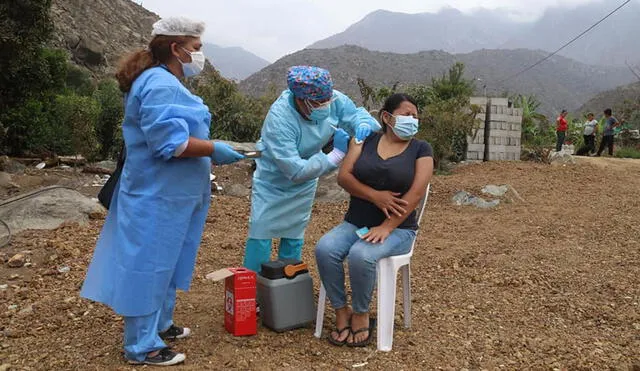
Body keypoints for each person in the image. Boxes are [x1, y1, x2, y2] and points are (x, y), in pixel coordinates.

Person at [80, 17, 244, 366]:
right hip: (156, 195)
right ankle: (142, 345)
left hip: (175, 195)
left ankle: (161, 324)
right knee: (148, 266)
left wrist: (211, 152)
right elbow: (169, 143)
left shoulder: (169, 81)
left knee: (169, 262)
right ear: (176, 47)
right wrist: (214, 148)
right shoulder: (157, 83)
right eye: (196, 49)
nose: (199, 56)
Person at [315, 93, 434, 347]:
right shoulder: (365, 139)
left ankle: (360, 313)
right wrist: (376, 196)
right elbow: (344, 177)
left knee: (361, 254)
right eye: (406, 114)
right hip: (355, 222)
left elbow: (415, 194)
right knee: (325, 249)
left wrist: (387, 226)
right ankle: (340, 310)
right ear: (387, 117)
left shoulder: (421, 149)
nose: (412, 119)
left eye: (415, 115)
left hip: (398, 229)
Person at [242, 66, 381, 273]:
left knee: (294, 234)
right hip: (274, 180)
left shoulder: (331, 98)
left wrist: (364, 124)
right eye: (317, 103)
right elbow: (295, 171)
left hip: (307, 180)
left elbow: (354, 115)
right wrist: (335, 155)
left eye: (327, 100)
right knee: (261, 233)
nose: (325, 106)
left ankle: (287, 284)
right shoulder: (280, 119)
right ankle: (253, 290)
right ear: (299, 99)